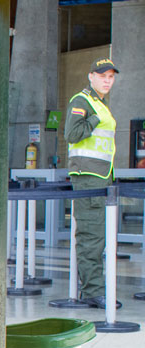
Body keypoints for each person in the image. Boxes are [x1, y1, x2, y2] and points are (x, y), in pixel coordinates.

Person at [65, 57, 120, 309]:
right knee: (91, 237)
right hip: (88, 179)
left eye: (110, 76)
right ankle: (93, 292)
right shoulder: (82, 101)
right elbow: (72, 134)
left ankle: (95, 289)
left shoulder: (100, 104)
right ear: (91, 76)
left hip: (100, 177)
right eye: (102, 76)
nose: (107, 80)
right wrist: (95, 118)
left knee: (98, 237)